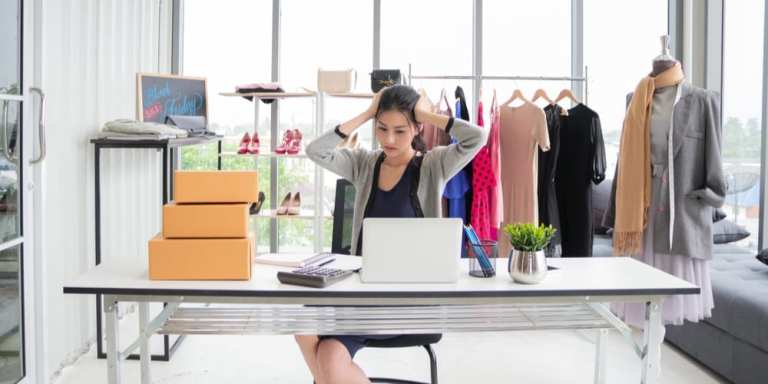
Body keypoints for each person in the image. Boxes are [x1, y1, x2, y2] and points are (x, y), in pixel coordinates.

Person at [299, 85, 487, 384]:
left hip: (409, 302)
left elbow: (478, 137)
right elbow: (315, 150)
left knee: (328, 362)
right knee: (305, 328)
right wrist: (366, 113)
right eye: (382, 128)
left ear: (416, 128)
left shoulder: (433, 164)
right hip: (359, 295)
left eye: (400, 131)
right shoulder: (364, 164)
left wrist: (426, 113)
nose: (388, 139)